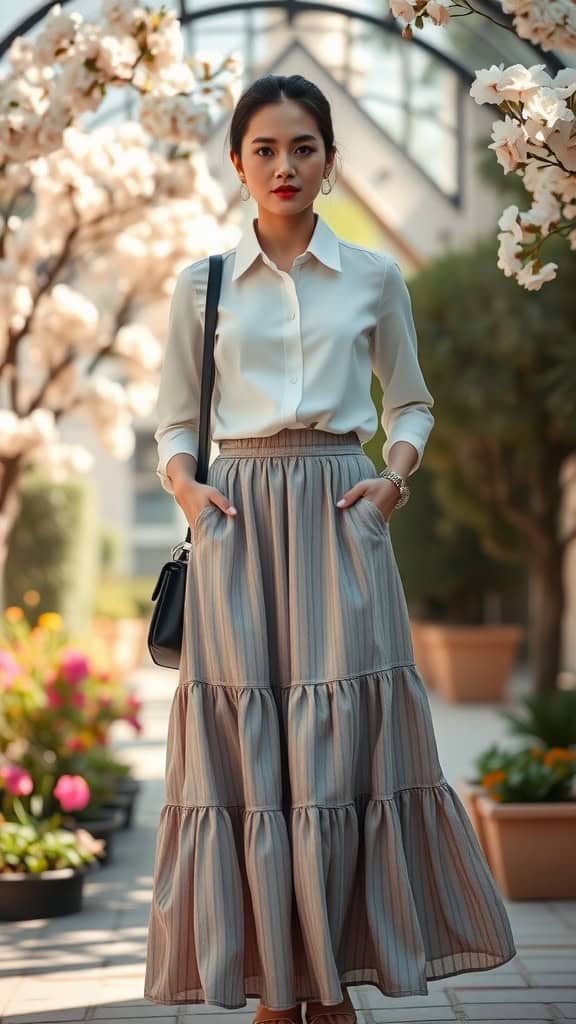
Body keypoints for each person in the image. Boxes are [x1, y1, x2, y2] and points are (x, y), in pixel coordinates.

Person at [143, 73, 516, 1024]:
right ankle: (276, 984)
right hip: (237, 527)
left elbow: (414, 399)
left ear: (330, 163)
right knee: (254, 753)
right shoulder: (202, 286)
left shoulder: (376, 279)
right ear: (236, 163)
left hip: (343, 513)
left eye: (302, 147)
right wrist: (188, 488)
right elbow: (173, 425)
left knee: (345, 745)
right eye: (264, 149)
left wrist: (394, 479)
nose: (283, 165)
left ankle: (338, 982)